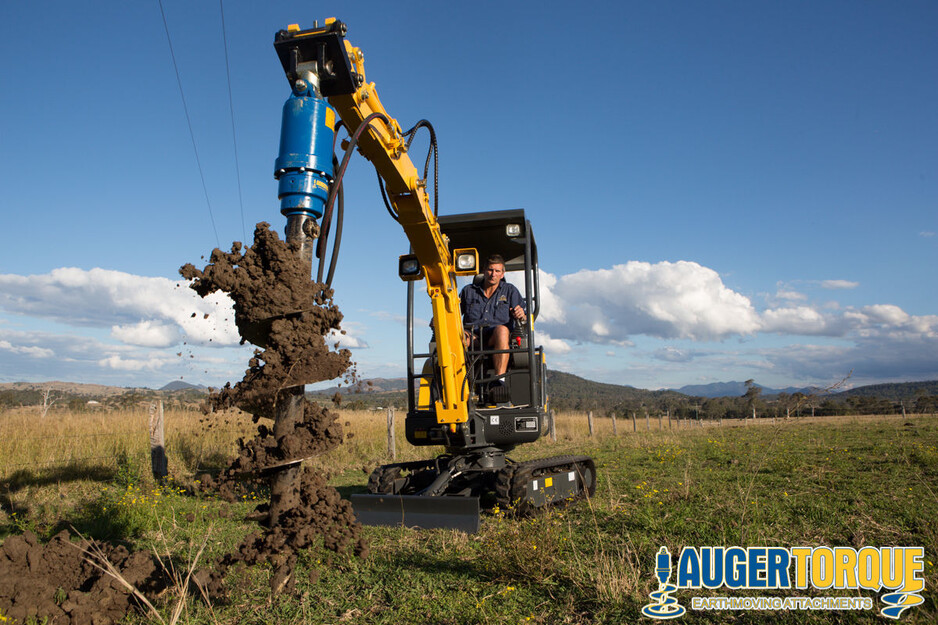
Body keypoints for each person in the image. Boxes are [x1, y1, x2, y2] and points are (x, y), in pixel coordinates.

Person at [460, 254, 526, 381]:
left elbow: (525, 318)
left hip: (496, 337)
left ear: (502, 274)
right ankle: (459, 381)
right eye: (490, 270)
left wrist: (522, 315)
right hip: (472, 337)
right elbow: (454, 313)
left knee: (502, 330)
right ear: (484, 270)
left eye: (497, 271)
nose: (493, 274)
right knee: (457, 337)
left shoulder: (509, 291)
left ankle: (499, 380)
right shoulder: (468, 291)